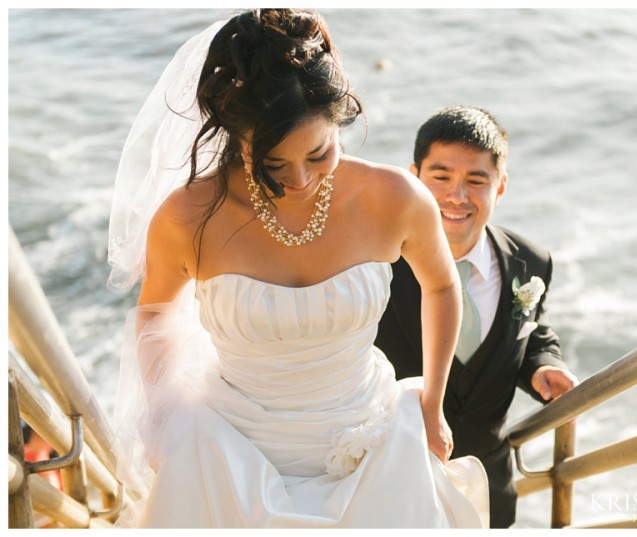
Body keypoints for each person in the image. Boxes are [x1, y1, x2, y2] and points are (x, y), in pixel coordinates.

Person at [107, 10, 488, 528]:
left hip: (369, 443)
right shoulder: (189, 216)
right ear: (235, 137)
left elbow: (441, 286)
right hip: (228, 448)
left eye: (319, 153)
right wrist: (164, 415)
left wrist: (432, 403)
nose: (301, 180)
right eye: (272, 164)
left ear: (339, 118)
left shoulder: (395, 197)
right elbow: (153, 313)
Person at [375, 105, 577, 528]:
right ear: (414, 178)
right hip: (390, 482)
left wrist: (543, 365)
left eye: (476, 181)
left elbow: (532, 330)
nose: (457, 197)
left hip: (488, 487)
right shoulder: (374, 263)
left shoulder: (530, 262)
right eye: (442, 177)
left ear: (500, 187)